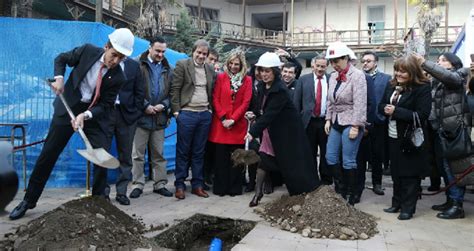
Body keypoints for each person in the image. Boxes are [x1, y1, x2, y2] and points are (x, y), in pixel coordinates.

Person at [9, 28, 135, 220]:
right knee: (48, 154)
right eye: (114, 55)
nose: (116, 61)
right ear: (106, 47)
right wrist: (59, 79)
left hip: (91, 115)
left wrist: (85, 115)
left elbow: (106, 105)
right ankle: (28, 200)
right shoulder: (87, 51)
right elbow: (61, 59)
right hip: (67, 107)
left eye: (121, 58)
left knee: (101, 155)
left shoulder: (119, 76)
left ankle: (99, 200)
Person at [245, 52, 320, 207]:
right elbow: (263, 110)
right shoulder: (261, 86)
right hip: (270, 130)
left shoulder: (280, 90)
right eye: (262, 70)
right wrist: (255, 115)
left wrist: (253, 132)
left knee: (293, 164)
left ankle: (302, 194)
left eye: (268, 71)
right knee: (264, 160)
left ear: (275, 71)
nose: (264, 74)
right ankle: (258, 193)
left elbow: (271, 113)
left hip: (286, 134)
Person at [417, 52, 471, 219]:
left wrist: (425, 63)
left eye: (443, 60)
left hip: (454, 130)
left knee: (455, 168)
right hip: (440, 130)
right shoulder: (437, 80)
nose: (438, 62)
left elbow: (451, 79)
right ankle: (450, 199)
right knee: (444, 167)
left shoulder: (460, 73)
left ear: (453, 63)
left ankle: (457, 205)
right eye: (438, 60)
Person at [379, 55, 431, 220]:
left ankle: (408, 208)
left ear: (413, 72)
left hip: (410, 137)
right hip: (392, 135)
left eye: (403, 72)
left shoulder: (422, 87)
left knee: (409, 173)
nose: (398, 75)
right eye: (396, 71)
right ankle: (396, 203)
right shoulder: (391, 84)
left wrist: (396, 111)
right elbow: (381, 105)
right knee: (396, 171)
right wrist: (385, 109)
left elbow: (422, 114)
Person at [129, 36, 174, 199]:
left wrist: (165, 105)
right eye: (158, 51)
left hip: (160, 118)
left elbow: (172, 93)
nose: (161, 54)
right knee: (137, 154)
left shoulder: (169, 69)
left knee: (158, 154)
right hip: (141, 118)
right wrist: (145, 105)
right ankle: (137, 185)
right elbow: (131, 90)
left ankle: (160, 184)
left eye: (163, 51)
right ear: (149, 48)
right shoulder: (136, 64)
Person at [170, 39, 215, 200]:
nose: (201, 56)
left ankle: (197, 184)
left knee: (199, 152)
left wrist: (210, 111)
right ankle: (180, 185)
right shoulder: (183, 64)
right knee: (183, 151)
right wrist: (176, 113)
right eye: (199, 53)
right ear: (193, 52)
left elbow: (212, 90)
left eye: (204, 54)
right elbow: (175, 89)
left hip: (204, 114)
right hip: (187, 113)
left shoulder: (209, 69)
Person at [324, 41, 367, 206]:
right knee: (330, 156)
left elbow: (360, 103)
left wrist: (356, 126)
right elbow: (330, 101)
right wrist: (328, 118)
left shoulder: (357, 75)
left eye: (336, 61)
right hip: (336, 120)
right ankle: (340, 188)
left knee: (348, 159)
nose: (334, 65)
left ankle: (352, 191)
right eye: (332, 62)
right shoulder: (333, 76)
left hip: (351, 120)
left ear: (346, 58)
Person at [208, 51, 252, 196]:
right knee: (220, 160)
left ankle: (234, 188)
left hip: (237, 125)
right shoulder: (221, 77)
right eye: (231, 63)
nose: (233, 66)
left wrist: (233, 119)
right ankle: (220, 188)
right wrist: (223, 118)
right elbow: (215, 99)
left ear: (242, 65)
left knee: (236, 160)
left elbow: (246, 102)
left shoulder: (247, 80)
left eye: (236, 64)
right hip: (221, 125)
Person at [104, 56, 145, 205]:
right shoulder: (106, 62)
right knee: (103, 154)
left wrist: (135, 113)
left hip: (127, 116)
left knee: (126, 155)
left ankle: (121, 192)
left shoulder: (134, 66)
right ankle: (103, 192)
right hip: (106, 113)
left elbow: (140, 91)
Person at [294, 55, 331, 185]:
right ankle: (312, 179)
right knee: (310, 152)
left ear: (327, 66)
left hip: (326, 122)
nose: (320, 69)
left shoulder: (331, 79)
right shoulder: (303, 80)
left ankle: (326, 180)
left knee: (326, 152)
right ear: (313, 65)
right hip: (308, 122)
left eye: (323, 66)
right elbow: (296, 103)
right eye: (318, 66)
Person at [361, 51, 392, 195]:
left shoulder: (386, 79)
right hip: (360, 122)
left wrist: (381, 116)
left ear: (376, 63)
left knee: (377, 155)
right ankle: (359, 184)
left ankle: (377, 183)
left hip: (378, 122)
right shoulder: (357, 77)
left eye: (368, 61)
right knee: (360, 155)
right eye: (364, 61)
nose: (365, 63)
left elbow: (387, 99)